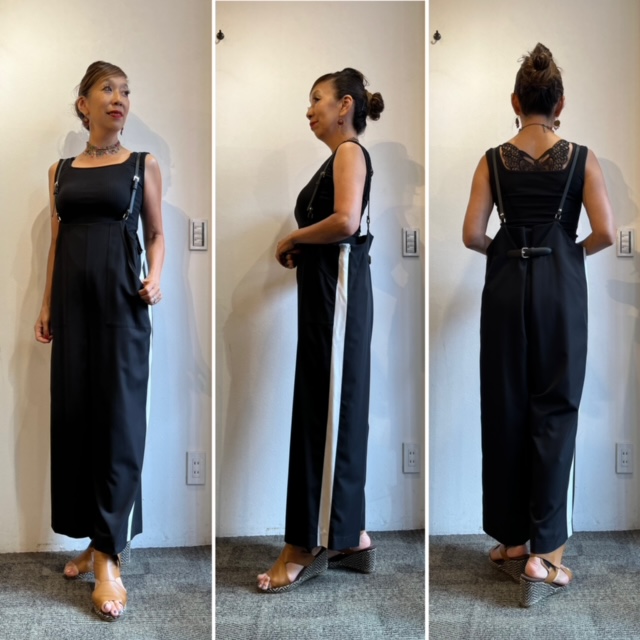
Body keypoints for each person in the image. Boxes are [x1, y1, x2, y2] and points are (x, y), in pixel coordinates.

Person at [462, 43, 614, 607]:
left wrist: (509, 255)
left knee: (505, 405)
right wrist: (565, 255)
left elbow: (472, 234)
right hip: (559, 290)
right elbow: (605, 232)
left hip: (505, 286)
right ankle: (544, 555)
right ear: (560, 104)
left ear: (515, 101)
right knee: (555, 409)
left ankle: (511, 541)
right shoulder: (582, 159)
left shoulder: (491, 160)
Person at [34, 61, 164, 620]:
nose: (119, 98)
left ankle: (110, 558)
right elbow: (58, 242)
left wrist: (157, 276)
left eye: (126, 90)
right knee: (77, 418)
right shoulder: (60, 171)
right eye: (107, 89)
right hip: (72, 307)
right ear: (83, 104)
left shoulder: (141, 165)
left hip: (122, 306)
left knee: (119, 422)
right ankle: (94, 537)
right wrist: (46, 304)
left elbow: (156, 234)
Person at [256, 68, 384, 592]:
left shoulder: (349, 152)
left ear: (344, 105)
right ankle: (350, 537)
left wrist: (293, 238)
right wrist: (302, 247)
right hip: (327, 294)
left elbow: (346, 222)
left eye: (317, 99)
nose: (309, 110)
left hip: (338, 295)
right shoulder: (335, 158)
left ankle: (304, 546)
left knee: (324, 413)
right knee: (327, 408)